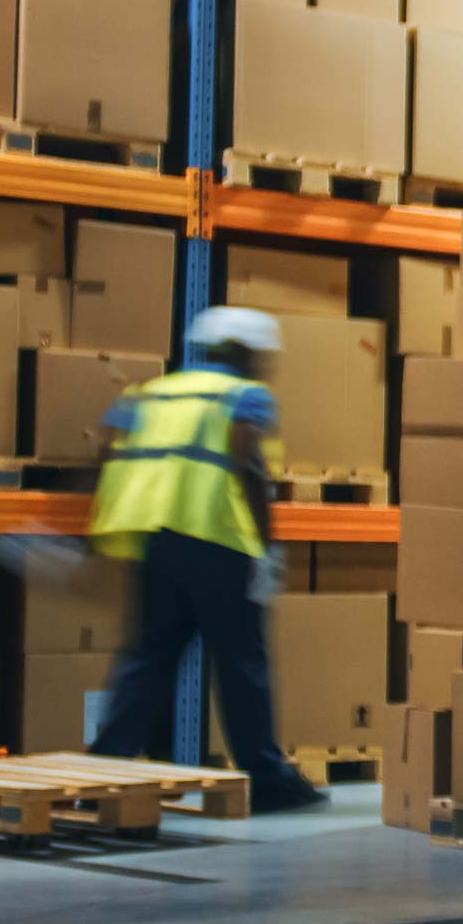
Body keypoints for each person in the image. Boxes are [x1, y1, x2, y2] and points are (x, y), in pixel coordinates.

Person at [87, 305, 325, 814]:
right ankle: (266, 779)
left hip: (155, 541)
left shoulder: (152, 392)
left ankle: (105, 767)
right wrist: (266, 548)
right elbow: (247, 464)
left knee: (147, 658)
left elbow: (106, 447)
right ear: (246, 354)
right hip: (218, 542)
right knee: (241, 661)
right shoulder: (245, 397)